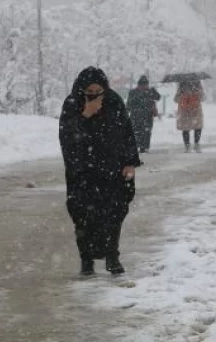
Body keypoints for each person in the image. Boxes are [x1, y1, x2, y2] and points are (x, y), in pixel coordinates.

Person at [58, 67, 141, 276]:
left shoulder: (114, 102)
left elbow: (127, 132)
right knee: (84, 216)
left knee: (113, 213)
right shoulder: (72, 104)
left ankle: (112, 257)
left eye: (99, 89)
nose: (95, 93)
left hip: (111, 170)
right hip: (82, 173)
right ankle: (86, 260)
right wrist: (86, 115)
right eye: (90, 89)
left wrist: (130, 162)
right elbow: (66, 137)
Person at [126, 75, 161, 153]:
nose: (145, 86)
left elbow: (158, 97)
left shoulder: (150, 91)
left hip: (147, 116)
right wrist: (126, 112)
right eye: (143, 85)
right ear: (139, 85)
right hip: (136, 116)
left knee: (147, 132)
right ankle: (137, 146)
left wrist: (154, 92)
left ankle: (144, 147)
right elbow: (129, 104)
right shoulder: (133, 92)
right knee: (137, 132)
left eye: (146, 84)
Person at [174, 80, 205, 153]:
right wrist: (196, 93)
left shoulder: (182, 85)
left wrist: (182, 95)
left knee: (185, 129)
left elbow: (176, 99)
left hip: (185, 111)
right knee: (197, 127)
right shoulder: (197, 85)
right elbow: (202, 97)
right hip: (195, 110)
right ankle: (196, 144)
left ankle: (187, 146)